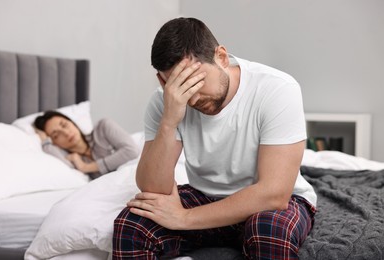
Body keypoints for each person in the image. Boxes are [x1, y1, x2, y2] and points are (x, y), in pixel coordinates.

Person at [113, 17, 317, 259]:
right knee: (132, 224)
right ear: (163, 81)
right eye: (181, 86)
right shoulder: (165, 102)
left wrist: (184, 218)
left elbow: (274, 193)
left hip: (271, 202)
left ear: (221, 57)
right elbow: (153, 188)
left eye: (197, 81)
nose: (193, 99)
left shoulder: (277, 88)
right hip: (206, 195)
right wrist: (169, 121)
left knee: (267, 230)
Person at [34, 111, 140, 179]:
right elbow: (64, 165)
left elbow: (132, 152)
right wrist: (46, 143)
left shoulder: (103, 128)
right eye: (56, 135)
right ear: (55, 144)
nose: (66, 133)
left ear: (72, 122)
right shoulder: (73, 160)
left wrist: (86, 167)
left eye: (64, 125)